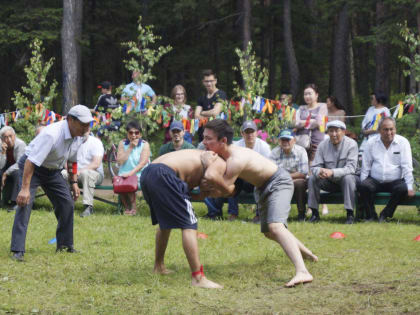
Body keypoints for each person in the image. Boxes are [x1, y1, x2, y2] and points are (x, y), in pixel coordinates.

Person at [202, 119, 318, 287]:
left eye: (208, 139)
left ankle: (303, 272)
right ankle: (307, 253)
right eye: (204, 138)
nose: (204, 142)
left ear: (223, 141)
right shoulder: (224, 155)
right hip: (262, 187)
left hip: (278, 181)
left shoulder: (235, 159)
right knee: (270, 232)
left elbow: (227, 190)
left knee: (275, 227)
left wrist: (207, 166)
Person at [10, 105, 93, 261]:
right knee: (25, 203)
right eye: (83, 124)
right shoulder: (52, 134)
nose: (86, 128)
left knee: (67, 203)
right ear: (70, 120)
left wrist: (74, 182)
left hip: (53, 171)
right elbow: (30, 162)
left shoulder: (81, 135)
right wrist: (25, 189)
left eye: (88, 124)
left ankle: (65, 245)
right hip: (32, 167)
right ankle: (17, 250)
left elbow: (72, 160)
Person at [140, 149, 227, 289]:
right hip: (163, 174)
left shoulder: (197, 155)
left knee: (165, 223)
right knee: (189, 224)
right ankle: (198, 278)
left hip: (148, 173)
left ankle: (159, 266)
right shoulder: (218, 162)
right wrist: (226, 190)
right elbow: (216, 185)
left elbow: (186, 195)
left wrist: (204, 194)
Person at [204, 120, 271, 221]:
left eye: (252, 132)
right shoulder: (236, 145)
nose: (250, 135)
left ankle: (259, 215)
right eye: (247, 132)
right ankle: (232, 213)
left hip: (256, 177)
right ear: (242, 134)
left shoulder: (264, 147)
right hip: (241, 177)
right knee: (232, 181)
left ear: (256, 133)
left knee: (261, 182)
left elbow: (266, 168)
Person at [358, 117, 414, 222]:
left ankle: (385, 214)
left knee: (403, 188)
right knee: (364, 186)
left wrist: (410, 187)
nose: (389, 132)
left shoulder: (403, 142)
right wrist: (362, 185)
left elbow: (407, 167)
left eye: (391, 129)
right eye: (385, 129)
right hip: (375, 180)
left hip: (395, 181)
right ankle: (371, 216)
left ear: (395, 129)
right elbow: (366, 167)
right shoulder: (371, 142)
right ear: (379, 130)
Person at [307, 120, 359, 224]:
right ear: (328, 133)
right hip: (329, 180)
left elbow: (351, 168)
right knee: (312, 178)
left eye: (337, 131)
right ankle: (314, 213)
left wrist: (332, 172)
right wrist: (320, 171)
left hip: (348, 180)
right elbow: (315, 166)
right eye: (331, 131)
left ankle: (350, 214)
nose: (334, 134)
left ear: (343, 132)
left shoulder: (352, 144)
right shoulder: (322, 145)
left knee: (348, 177)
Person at [270, 129, 309, 221]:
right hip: (280, 181)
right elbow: (271, 172)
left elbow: (303, 173)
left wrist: (286, 177)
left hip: (296, 181)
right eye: (283, 140)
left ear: (294, 140)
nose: (285, 142)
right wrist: (286, 178)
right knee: (272, 184)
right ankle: (278, 215)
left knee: (300, 184)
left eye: (288, 139)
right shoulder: (274, 152)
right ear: (279, 141)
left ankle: (301, 214)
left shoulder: (301, 151)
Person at [62, 133, 104, 217]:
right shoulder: (71, 142)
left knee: (86, 173)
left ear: (89, 130)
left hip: (95, 174)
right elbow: (65, 162)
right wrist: (72, 173)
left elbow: (96, 164)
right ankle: (65, 204)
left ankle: (88, 207)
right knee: (62, 174)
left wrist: (79, 172)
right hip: (75, 173)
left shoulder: (96, 142)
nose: (82, 131)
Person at [116, 120, 150, 216]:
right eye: (131, 132)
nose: (134, 135)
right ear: (127, 134)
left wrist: (130, 174)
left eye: (136, 133)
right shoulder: (122, 143)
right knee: (122, 180)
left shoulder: (145, 145)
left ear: (140, 134)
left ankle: (133, 208)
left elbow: (142, 163)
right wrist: (130, 148)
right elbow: (120, 161)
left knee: (130, 180)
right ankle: (126, 207)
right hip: (124, 173)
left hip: (140, 174)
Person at [294, 83, 328, 162]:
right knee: (302, 166)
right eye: (305, 94)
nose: (307, 96)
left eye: (310, 94)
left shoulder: (323, 106)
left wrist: (302, 123)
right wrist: (312, 121)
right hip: (301, 142)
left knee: (314, 167)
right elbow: (295, 123)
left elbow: (319, 123)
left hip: (316, 142)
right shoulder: (301, 108)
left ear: (316, 95)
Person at [195, 69, 227, 141]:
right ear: (203, 82)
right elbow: (196, 115)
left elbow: (215, 112)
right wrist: (210, 113)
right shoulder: (201, 98)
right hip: (203, 135)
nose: (209, 83)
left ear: (215, 81)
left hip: (217, 135)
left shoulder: (221, 94)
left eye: (211, 81)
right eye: (206, 81)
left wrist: (202, 112)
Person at [0, 126, 26, 212]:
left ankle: (15, 203)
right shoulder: (1, 146)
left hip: (18, 168)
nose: (9, 139)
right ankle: (3, 200)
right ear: (2, 139)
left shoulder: (20, 144)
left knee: (18, 173)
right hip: (6, 167)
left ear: (14, 136)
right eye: (5, 137)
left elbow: (20, 163)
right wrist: (3, 152)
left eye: (10, 136)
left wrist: (6, 173)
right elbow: (1, 165)